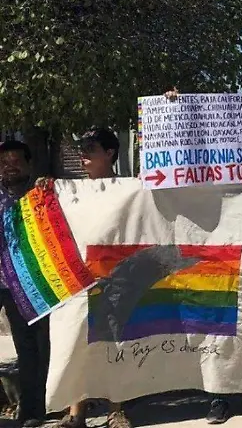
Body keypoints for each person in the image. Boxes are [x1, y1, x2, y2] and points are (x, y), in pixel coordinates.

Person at [60, 129, 144, 428]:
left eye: (91, 148)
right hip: (78, 278)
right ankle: (75, 413)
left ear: (109, 153)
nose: (83, 153)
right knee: (76, 342)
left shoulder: (130, 188)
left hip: (118, 277)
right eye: (81, 147)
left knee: (115, 343)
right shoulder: (69, 191)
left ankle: (116, 410)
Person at [0, 140, 51, 428]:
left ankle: (34, 410)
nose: (9, 167)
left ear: (29, 164)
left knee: (35, 349)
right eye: (3, 162)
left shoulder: (43, 194)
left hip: (32, 285)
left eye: (15, 161)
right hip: (4, 283)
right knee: (27, 349)